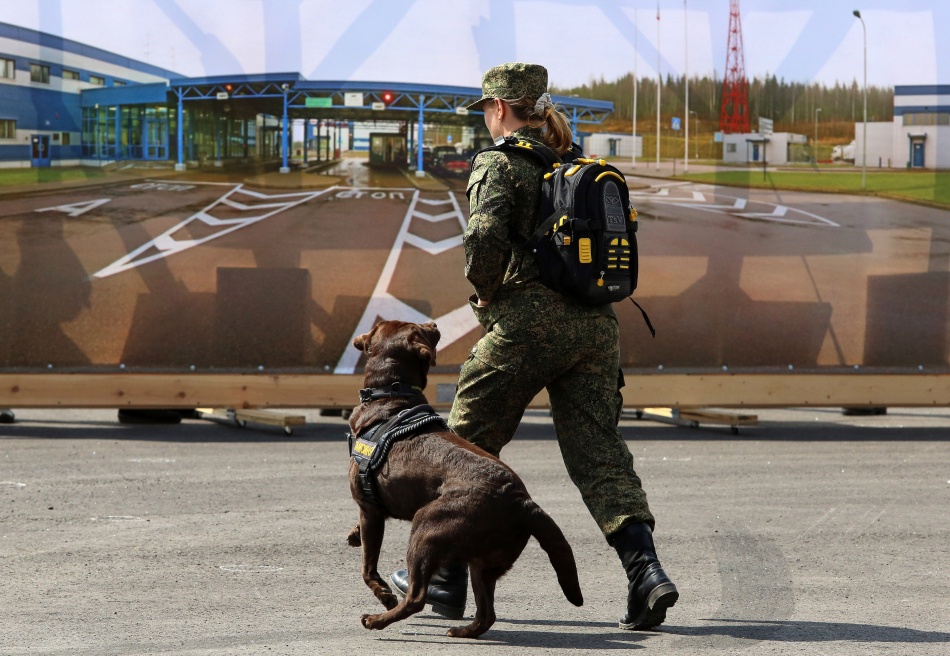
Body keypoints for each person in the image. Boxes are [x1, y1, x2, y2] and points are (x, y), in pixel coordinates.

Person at [389, 62, 678, 630]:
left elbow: (484, 240)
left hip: (524, 326)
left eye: (487, 109)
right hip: (595, 328)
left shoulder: (500, 162)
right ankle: (646, 572)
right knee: (600, 456)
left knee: (463, 449)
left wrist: (486, 296)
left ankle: (443, 581)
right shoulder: (570, 162)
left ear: (498, 107)